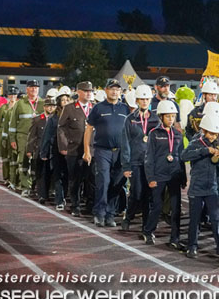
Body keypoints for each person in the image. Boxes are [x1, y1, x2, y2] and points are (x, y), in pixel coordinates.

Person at [181, 114, 219, 260]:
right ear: (203, 130)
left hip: (212, 188)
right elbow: (184, 156)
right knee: (195, 219)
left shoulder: (218, 145)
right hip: (197, 188)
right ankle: (192, 246)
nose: (213, 136)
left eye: (215, 133)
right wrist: (204, 151)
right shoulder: (196, 143)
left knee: (216, 219)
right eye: (210, 133)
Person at [82, 79, 129, 226]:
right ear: (106, 90)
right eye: (111, 89)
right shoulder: (98, 108)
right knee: (103, 182)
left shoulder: (126, 109)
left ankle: (110, 214)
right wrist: (87, 151)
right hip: (103, 151)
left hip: (120, 152)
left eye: (117, 89)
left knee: (117, 184)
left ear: (120, 91)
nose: (114, 92)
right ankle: (99, 213)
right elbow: (89, 129)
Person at [143, 100, 186, 248]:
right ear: (161, 117)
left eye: (173, 117)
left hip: (174, 175)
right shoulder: (154, 134)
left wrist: (183, 177)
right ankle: (148, 231)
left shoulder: (178, 135)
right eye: (168, 116)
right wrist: (151, 177)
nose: (171, 119)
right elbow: (149, 158)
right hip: (158, 175)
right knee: (157, 205)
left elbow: (181, 157)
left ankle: (175, 238)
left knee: (176, 208)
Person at [121, 84, 159, 231]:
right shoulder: (130, 119)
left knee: (148, 194)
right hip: (136, 161)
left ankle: (145, 224)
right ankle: (128, 216)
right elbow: (125, 143)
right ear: (136, 100)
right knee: (136, 193)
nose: (144, 102)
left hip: (150, 164)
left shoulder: (156, 120)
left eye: (147, 99)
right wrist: (126, 165)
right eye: (142, 99)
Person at [58, 82, 93, 217]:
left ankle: (89, 205)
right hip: (74, 149)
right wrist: (64, 145)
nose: (89, 93)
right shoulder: (69, 108)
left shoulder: (94, 107)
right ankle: (75, 205)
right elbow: (61, 128)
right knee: (75, 179)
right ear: (78, 92)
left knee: (91, 179)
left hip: (92, 149)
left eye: (90, 91)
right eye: (85, 91)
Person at [9, 80, 44, 197]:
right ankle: (25, 186)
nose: (34, 89)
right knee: (23, 161)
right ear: (26, 89)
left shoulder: (43, 103)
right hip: (23, 136)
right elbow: (13, 122)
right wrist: (12, 139)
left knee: (36, 161)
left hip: (38, 138)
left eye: (36, 87)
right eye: (31, 87)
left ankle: (34, 184)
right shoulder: (20, 103)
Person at [27, 97, 58, 204]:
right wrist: (29, 150)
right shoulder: (37, 120)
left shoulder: (56, 119)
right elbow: (32, 136)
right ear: (44, 107)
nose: (51, 108)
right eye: (49, 105)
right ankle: (42, 194)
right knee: (41, 173)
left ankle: (50, 191)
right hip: (40, 149)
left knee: (52, 173)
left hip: (53, 150)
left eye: (53, 106)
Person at [0, 87, 19, 187]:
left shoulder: (18, 107)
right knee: (5, 158)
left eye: (14, 95)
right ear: (8, 96)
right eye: (11, 95)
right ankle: (6, 177)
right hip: (3, 134)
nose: (12, 96)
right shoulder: (3, 107)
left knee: (13, 157)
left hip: (14, 135)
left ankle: (14, 178)